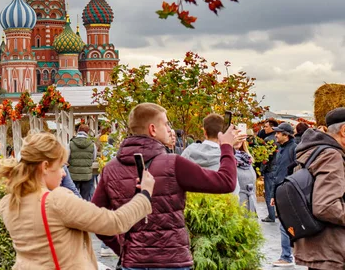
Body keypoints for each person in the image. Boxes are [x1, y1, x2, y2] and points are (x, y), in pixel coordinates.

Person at [92, 103, 238, 270]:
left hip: (133, 262)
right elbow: (226, 181)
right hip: (172, 261)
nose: (170, 129)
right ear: (153, 129)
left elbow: (96, 218)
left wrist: (123, 248)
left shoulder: (111, 169)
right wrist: (226, 146)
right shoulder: (173, 164)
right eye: (167, 123)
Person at [0, 132, 154, 269]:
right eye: (60, 166)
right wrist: (144, 195)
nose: (63, 173)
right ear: (45, 166)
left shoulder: (8, 203)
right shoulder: (56, 201)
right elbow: (114, 222)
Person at [293, 108, 345, 270]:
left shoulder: (314, 151)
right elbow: (325, 206)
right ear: (344, 131)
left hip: (320, 249)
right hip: (332, 251)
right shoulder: (331, 156)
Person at [181, 113, 240, 196]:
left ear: (205, 132)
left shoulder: (189, 152)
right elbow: (234, 192)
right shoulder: (227, 156)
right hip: (222, 205)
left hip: (193, 204)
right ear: (223, 133)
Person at [268, 122, 297, 267]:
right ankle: (288, 255)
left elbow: (294, 171)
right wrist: (274, 194)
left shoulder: (293, 149)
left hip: (287, 190)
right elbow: (277, 173)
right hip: (281, 190)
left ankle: (286, 256)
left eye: (278, 133)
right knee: (285, 224)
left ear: (286, 135)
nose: (275, 135)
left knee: (285, 224)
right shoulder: (282, 149)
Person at [68, 124, 97, 200]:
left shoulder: (71, 143)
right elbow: (93, 158)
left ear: (78, 131)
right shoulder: (92, 144)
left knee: (73, 198)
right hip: (87, 175)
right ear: (87, 132)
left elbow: (67, 158)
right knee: (85, 199)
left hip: (73, 175)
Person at [261, 118, 279, 222]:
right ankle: (277, 213)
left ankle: (271, 215)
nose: (264, 129)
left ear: (272, 127)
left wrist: (262, 170)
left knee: (269, 193)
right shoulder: (279, 139)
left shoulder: (268, 140)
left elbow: (265, 158)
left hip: (270, 169)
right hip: (277, 169)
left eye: (266, 126)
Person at [233, 137, 257, 214]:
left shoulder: (247, 158)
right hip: (234, 204)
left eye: (240, 137)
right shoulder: (225, 158)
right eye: (235, 136)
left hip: (250, 203)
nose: (237, 140)